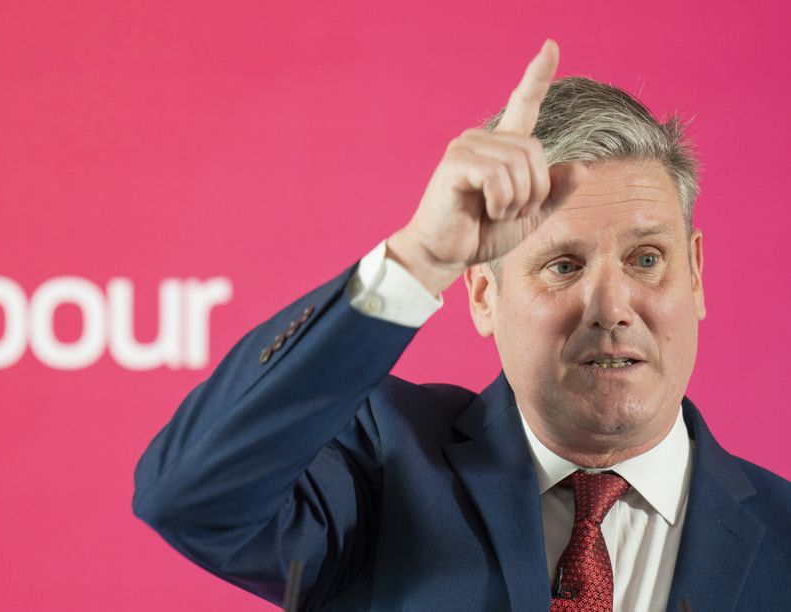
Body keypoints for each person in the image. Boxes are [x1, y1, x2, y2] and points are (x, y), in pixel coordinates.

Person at [132, 40, 791, 611]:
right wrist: (420, 257)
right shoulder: (381, 471)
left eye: (646, 259)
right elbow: (189, 497)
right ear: (482, 295)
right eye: (562, 264)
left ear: (697, 275)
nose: (612, 306)